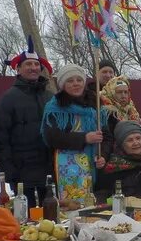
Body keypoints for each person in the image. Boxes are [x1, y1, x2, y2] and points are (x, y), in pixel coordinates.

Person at [0, 37, 53, 207]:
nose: (33, 68)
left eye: (36, 65)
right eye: (28, 64)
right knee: (26, 220)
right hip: (21, 170)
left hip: (48, 168)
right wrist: (8, 169)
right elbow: (1, 137)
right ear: (18, 68)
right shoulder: (9, 98)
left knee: (51, 215)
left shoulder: (50, 97)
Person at [41, 63, 108, 204]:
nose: (76, 84)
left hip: (94, 164)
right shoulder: (55, 107)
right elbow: (51, 137)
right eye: (70, 81)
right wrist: (84, 138)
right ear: (62, 85)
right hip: (67, 166)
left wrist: (103, 155)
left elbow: (106, 136)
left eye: (79, 80)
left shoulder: (95, 104)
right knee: (73, 206)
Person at [100, 75, 141, 140]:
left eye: (126, 92)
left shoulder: (132, 110)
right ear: (111, 93)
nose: (123, 96)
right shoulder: (106, 113)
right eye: (119, 92)